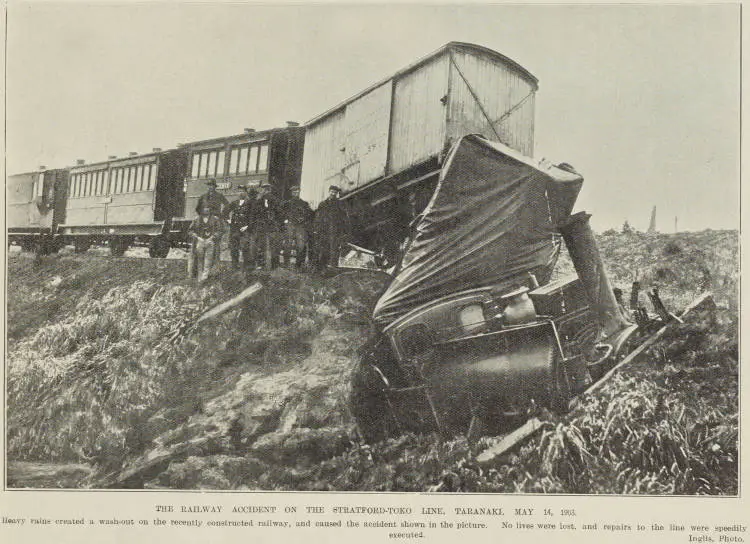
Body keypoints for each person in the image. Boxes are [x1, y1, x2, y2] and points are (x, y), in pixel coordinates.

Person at [312, 185, 351, 272]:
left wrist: (344, 230)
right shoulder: (323, 204)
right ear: (329, 192)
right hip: (324, 230)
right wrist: (316, 229)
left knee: (334, 249)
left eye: (335, 192)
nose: (333, 194)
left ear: (336, 194)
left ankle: (333, 268)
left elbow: (344, 218)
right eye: (332, 192)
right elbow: (318, 217)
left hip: (335, 230)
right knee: (323, 248)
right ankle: (322, 268)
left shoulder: (340, 204)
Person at [247, 182, 283, 271]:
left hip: (270, 227)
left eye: (266, 189)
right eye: (264, 189)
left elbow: (279, 212)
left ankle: (272, 266)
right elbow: (254, 212)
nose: (265, 191)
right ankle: (265, 265)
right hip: (262, 226)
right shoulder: (259, 200)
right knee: (263, 246)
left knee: (270, 246)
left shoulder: (272, 200)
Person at [187, 205, 224, 283]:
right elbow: (190, 231)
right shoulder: (196, 219)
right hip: (200, 241)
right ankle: (200, 276)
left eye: (208, 209)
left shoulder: (215, 219)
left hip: (210, 242)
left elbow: (220, 230)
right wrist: (197, 237)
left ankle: (205, 276)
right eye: (204, 209)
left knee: (209, 259)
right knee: (199, 259)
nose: (206, 211)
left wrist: (213, 237)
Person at [279, 186, 314, 269]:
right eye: (294, 192)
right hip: (290, 225)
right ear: (291, 193)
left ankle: (299, 265)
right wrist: (285, 220)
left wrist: (304, 220)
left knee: (301, 245)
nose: (296, 193)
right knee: (288, 245)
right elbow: (280, 212)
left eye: (297, 191)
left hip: (300, 227)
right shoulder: (286, 203)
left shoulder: (304, 203)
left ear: (299, 192)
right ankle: (286, 264)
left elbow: (309, 214)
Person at [224, 185, 255, 270]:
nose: (240, 193)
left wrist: (247, 226)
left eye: (242, 191)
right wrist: (228, 221)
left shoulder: (250, 203)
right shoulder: (234, 203)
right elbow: (225, 212)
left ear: (246, 193)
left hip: (245, 230)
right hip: (234, 229)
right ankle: (234, 266)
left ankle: (246, 267)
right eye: (239, 191)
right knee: (234, 248)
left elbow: (253, 216)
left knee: (245, 248)